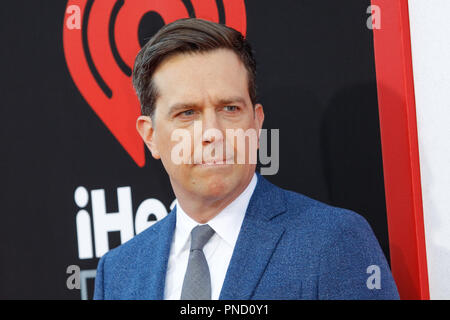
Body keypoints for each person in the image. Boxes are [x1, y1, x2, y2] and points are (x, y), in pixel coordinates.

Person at [93, 18, 399, 300]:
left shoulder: (334, 242)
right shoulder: (118, 272)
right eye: (187, 113)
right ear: (150, 135)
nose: (213, 133)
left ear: (256, 122)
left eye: (229, 109)